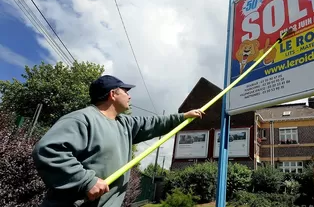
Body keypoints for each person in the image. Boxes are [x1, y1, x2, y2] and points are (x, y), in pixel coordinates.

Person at [32, 75, 204, 207]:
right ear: (113, 94)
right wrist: (86, 180)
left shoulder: (124, 123)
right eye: (125, 91)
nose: (129, 96)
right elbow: (48, 150)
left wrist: (183, 117)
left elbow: (153, 123)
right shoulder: (83, 119)